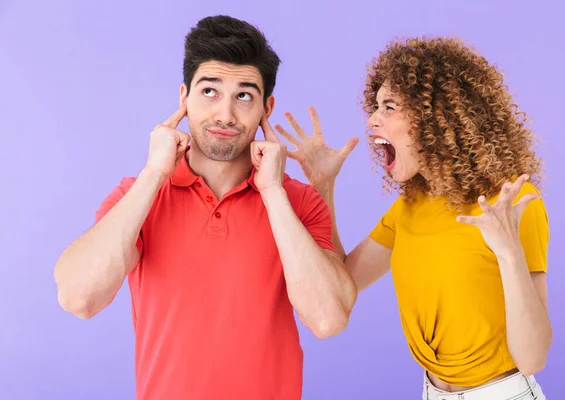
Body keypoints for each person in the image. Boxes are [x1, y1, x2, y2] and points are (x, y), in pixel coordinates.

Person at [53, 15, 357, 400]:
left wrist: (273, 192)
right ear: (184, 98)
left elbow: (329, 319)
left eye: (244, 95)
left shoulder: (298, 202)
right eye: (209, 92)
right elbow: (79, 298)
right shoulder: (139, 196)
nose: (225, 115)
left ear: (267, 107)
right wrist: (154, 172)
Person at [275, 36, 551, 399]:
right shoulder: (408, 207)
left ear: (436, 117)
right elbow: (343, 284)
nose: (372, 119)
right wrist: (324, 185)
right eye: (375, 107)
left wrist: (509, 254)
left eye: (388, 107)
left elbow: (532, 358)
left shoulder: (511, 204)